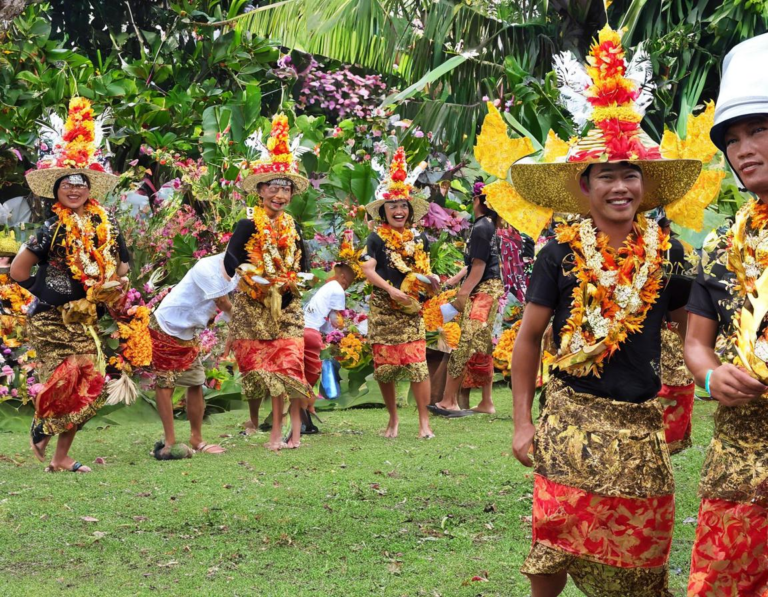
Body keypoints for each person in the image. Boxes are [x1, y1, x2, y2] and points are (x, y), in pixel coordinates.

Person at [508, 27, 702, 596]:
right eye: (608, 175)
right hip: (569, 415)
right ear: (585, 186)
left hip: (641, 427)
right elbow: (528, 340)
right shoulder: (559, 254)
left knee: (643, 552)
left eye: (630, 173)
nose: (621, 186)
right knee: (554, 540)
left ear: (645, 184)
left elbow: (688, 337)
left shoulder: (671, 257)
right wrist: (523, 423)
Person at [684, 33, 768, 596]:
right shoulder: (721, 245)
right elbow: (696, 342)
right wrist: (712, 375)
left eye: (760, 130)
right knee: (724, 581)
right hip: (740, 453)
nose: (744, 148)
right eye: (733, 138)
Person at [11, 97, 130, 473]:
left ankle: (60, 458)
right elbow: (18, 272)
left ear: (89, 188)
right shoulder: (51, 228)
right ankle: (41, 425)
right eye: (68, 185)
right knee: (65, 378)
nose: (75, 190)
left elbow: (124, 265)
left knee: (91, 381)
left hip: (85, 317)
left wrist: (117, 282)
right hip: (49, 319)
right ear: (58, 189)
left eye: (81, 184)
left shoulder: (106, 225)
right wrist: (49, 295)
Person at [224, 113, 312, 451]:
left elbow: (305, 263)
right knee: (259, 368)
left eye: (285, 188)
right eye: (273, 187)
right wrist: (250, 275)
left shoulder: (292, 225)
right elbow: (232, 260)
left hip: (287, 305)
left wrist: (292, 282)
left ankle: (288, 432)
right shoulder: (248, 224)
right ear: (260, 190)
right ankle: (273, 427)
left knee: (287, 365)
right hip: (253, 306)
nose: (280, 194)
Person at [360, 147, 438, 439]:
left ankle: (424, 423)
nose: (398, 211)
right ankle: (393, 419)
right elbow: (368, 270)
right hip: (383, 308)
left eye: (403, 206)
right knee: (385, 367)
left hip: (411, 309)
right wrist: (392, 291)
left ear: (410, 210)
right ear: (384, 211)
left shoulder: (420, 238)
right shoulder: (375, 238)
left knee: (418, 365)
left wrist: (432, 281)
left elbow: (424, 272)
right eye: (392, 206)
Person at [149, 252, 236, 459]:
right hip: (166, 327)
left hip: (188, 333)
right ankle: (169, 442)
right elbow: (224, 303)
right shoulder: (206, 267)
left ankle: (196, 439)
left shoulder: (239, 270)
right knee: (166, 383)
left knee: (196, 382)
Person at [432, 178, 503, 415]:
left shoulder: (482, 227)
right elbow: (474, 264)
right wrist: (454, 281)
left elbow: (480, 266)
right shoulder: (490, 225)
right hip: (487, 289)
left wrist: (462, 294)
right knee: (482, 345)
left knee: (465, 342)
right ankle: (486, 402)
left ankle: (449, 400)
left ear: (478, 200)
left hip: (482, 291)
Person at [303, 262, 355, 395]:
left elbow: (328, 315)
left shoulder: (328, 287)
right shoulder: (338, 289)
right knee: (312, 374)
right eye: (346, 285)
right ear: (342, 277)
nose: (344, 288)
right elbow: (336, 320)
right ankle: (304, 402)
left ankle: (301, 403)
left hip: (303, 329)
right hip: (311, 333)